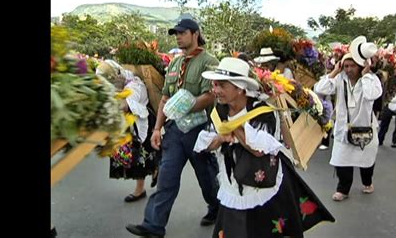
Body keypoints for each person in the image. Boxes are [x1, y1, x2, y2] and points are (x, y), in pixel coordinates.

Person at [194, 57, 335, 238]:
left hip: (263, 185)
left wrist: (233, 128)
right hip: (232, 185)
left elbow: (258, 149)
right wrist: (222, 137)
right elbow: (207, 144)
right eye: (215, 85)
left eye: (222, 85)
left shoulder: (264, 112)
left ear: (240, 88)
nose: (216, 91)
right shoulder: (219, 110)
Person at [126, 18, 220, 238]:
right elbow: (165, 99)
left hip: (198, 130)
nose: (177, 36)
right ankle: (153, 225)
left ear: (195, 34)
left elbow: (210, 96)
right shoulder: (175, 63)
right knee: (166, 178)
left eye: (182, 32)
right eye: (175, 33)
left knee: (207, 176)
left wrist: (186, 106)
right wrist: (157, 129)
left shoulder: (209, 62)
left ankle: (217, 208)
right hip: (175, 131)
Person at [314, 36, 382, 202]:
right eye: (346, 66)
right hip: (344, 129)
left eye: (352, 66)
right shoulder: (339, 78)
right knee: (341, 160)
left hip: (365, 128)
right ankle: (343, 189)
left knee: (366, 161)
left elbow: (372, 95)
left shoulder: (371, 80)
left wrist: (366, 75)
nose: (349, 69)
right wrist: (335, 71)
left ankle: (367, 182)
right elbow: (319, 89)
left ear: (360, 66)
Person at [96, 59, 160, 202]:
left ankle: (140, 188)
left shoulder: (135, 85)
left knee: (140, 159)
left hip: (139, 125)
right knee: (135, 158)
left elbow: (123, 106)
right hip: (127, 124)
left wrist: (116, 92)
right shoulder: (123, 81)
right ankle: (155, 168)